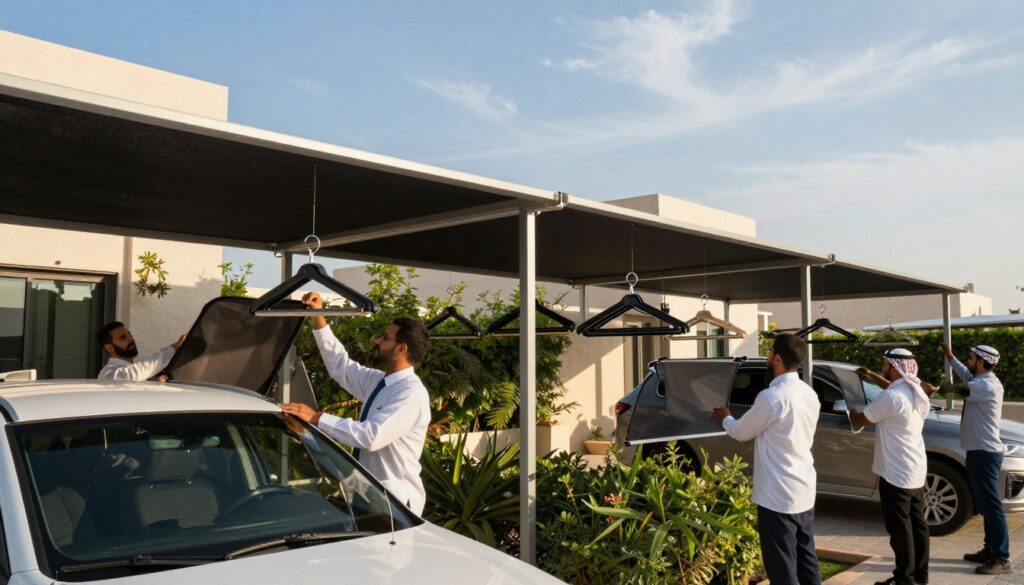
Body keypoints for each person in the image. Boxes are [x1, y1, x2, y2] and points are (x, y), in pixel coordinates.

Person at [281, 291, 432, 515]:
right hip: (369, 495)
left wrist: (315, 418)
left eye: (385, 337)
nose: (377, 341)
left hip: (394, 503)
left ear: (401, 349)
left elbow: (371, 436)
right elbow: (340, 366)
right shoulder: (379, 381)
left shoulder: (410, 395)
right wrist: (318, 317)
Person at [712, 334, 821, 585]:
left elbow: (741, 431)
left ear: (778, 358)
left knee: (782, 567)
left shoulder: (771, 397)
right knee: (806, 560)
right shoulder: (809, 394)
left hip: (777, 495)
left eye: (770, 351)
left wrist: (725, 417)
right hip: (803, 489)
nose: (768, 355)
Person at [849, 349, 933, 585]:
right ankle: (920, 576)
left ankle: (903, 579)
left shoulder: (891, 398)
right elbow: (893, 387)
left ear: (895, 367)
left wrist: (849, 405)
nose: (883, 366)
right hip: (915, 469)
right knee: (918, 526)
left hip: (896, 473)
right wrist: (872, 374)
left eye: (885, 364)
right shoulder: (915, 391)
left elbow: (860, 419)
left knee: (900, 529)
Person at [942, 343, 1009, 575]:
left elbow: (960, 388)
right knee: (984, 505)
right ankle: (990, 550)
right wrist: (950, 357)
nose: (968, 361)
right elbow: (966, 374)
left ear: (981, 362)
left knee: (992, 506)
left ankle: (1001, 557)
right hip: (977, 451)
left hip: (985, 453)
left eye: (971, 358)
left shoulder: (987, 385)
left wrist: (939, 389)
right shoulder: (980, 379)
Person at [96, 321, 184, 381]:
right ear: (109, 348)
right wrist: (175, 347)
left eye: (129, 334)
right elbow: (136, 373)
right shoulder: (108, 373)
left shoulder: (129, 372)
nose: (130, 339)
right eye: (123, 337)